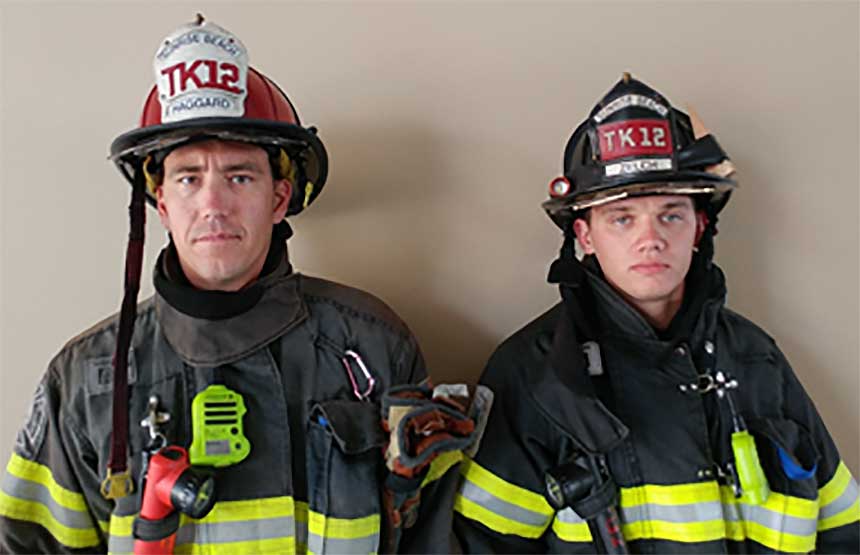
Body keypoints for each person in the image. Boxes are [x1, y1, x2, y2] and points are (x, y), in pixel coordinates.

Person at [0, 17, 482, 554]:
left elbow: (432, 539)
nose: (212, 204)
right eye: (188, 178)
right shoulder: (85, 379)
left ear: (280, 198)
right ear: (161, 204)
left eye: (239, 176)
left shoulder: (371, 347)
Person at [453, 74, 859, 553]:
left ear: (698, 227)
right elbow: (481, 546)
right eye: (622, 219)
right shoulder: (535, 375)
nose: (650, 239)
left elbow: (842, 531)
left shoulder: (756, 360)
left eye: (671, 214)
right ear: (584, 237)